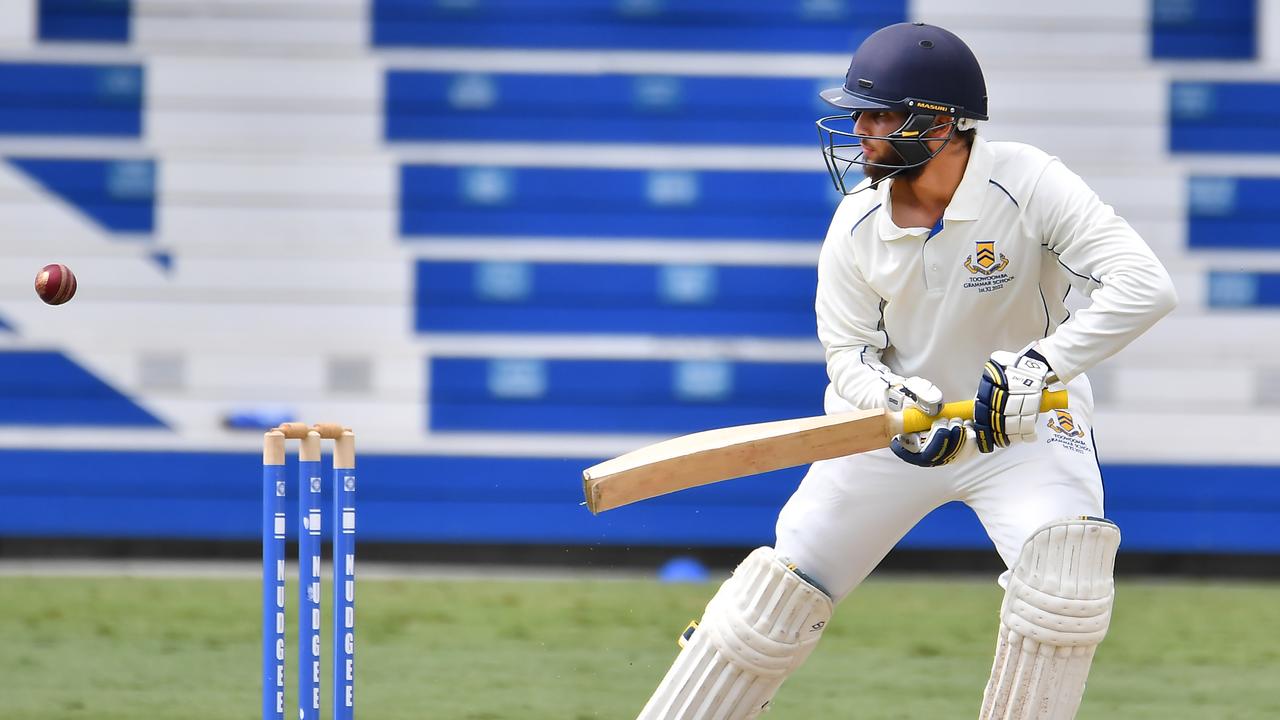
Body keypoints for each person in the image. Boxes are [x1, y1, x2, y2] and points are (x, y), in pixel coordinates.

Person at [635, 21, 1177, 719]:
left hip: (1024, 427)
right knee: (767, 607)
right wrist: (892, 398)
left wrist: (1043, 365)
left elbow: (1145, 287)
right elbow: (847, 354)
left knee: (1064, 584)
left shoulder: (1032, 182)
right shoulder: (856, 223)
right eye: (858, 112)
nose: (860, 129)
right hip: (889, 432)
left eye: (881, 113)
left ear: (943, 123)